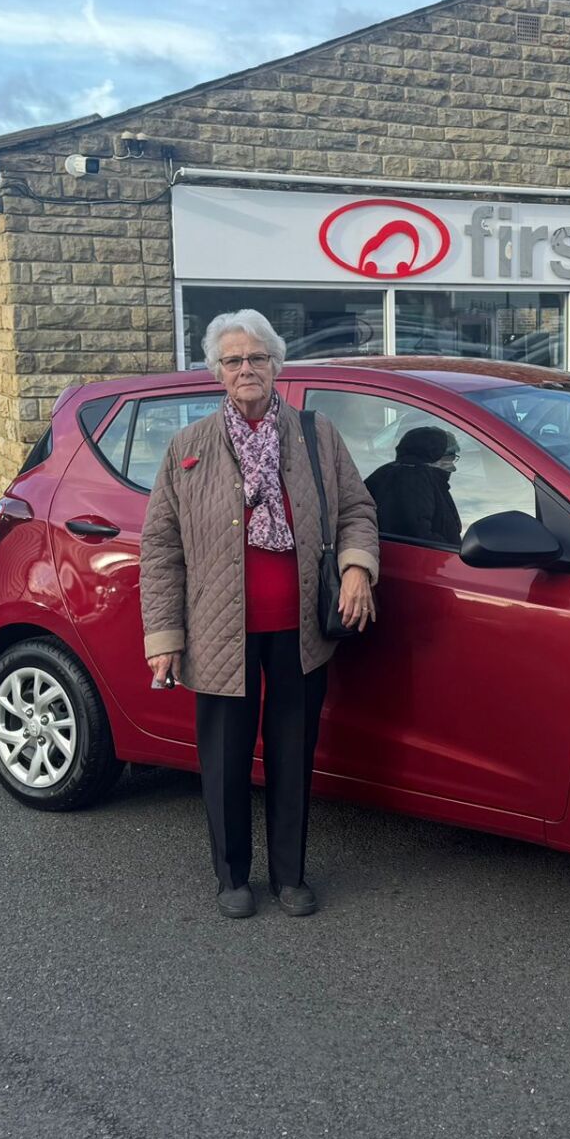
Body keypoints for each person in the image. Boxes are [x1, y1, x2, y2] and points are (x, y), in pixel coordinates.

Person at [139, 309, 379, 919]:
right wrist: (163, 636)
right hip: (219, 631)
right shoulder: (187, 448)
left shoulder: (316, 434)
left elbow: (356, 508)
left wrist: (356, 567)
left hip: (300, 630)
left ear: (276, 365)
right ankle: (231, 878)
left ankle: (291, 876)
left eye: (257, 358)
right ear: (216, 372)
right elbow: (161, 548)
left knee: (293, 753)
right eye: (233, 360)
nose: (246, 369)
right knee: (223, 759)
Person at [364, 426, 463, 546]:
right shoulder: (413, 480)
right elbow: (418, 534)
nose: (453, 468)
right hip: (430, 562)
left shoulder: (390, 473)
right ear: (432, 456)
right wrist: (453, 555)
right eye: (449, 459)